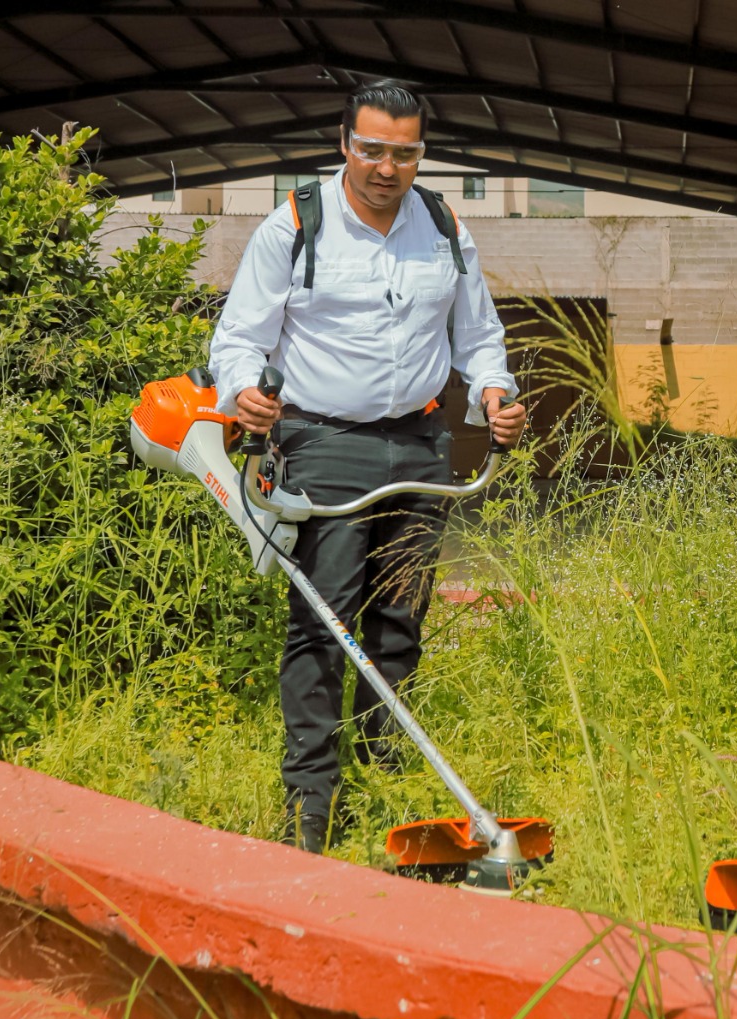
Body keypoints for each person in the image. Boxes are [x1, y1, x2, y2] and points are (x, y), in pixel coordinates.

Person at [209, 80, 526, 853]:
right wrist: (243, 392)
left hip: (421, 442)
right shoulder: (295, 226)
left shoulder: (445, 227)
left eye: (406, 153)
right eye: (373, 149)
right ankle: (309, 806)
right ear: (344, 142)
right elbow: (238, 339)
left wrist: (494, 392)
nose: (388, 167)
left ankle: (386, 777)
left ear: (422, 154)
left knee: (399, 621)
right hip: (324, 443)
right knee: (323, 625)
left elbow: (477, 337)